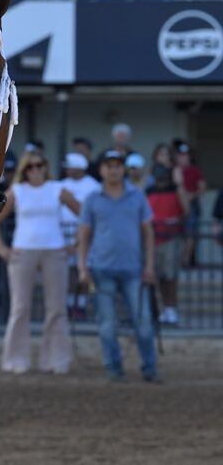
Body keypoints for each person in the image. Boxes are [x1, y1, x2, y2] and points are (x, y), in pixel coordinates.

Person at [0, 150, 81, 374]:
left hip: (54, 251)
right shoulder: (17, 191)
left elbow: (85, 214)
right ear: (24, 170)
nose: (35, 170)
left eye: (39, 165)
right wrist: (2, 249)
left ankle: (57, 359)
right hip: (23, 252)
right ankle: (15, 359)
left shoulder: (57, 189)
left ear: (46, 167)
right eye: (30, 167)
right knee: (20, 308)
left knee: (56, 308)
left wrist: (77, 244)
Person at [78, 150, 159, 383]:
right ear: (102, 169)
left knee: (143, 323)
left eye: (117, 165)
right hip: (101, 269)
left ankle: (149, 368)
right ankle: (114, 368)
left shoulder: (137, 196)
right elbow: (84, 235)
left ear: (123, 169)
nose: (113, 170)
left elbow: (148, 232)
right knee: (106, 325)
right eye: (108, 165)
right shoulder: (93, 199)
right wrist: (83, 268)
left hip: (134, 269)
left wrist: (150, 265)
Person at [146, 163, 188, 326]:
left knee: (169, 277)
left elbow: (186, 211)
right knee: (153, 278)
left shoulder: (175, 190)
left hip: (170, 238)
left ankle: (171, 310)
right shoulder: (148, 191)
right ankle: (157, 310)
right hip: (152, 240)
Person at [60, 152, 100, 319]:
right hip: (63, 234)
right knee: (68, 272)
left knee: (83, 270)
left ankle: (81, 305)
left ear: (78, 167)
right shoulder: (61, 184)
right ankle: (69, 304)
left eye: (70, 166)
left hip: (86, 236)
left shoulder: (93, 186)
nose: (67, 169)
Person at [173, 141, 206, 268]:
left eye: (185, 155)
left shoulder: (195, 170)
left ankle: (185, 260)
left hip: (191, 205)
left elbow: (202, 187)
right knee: (174, 233)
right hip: (175, 205)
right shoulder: (174, 170)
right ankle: (176, 260)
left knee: (190, 233)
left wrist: (191, 196)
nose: (183, 157)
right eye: (180, 155)